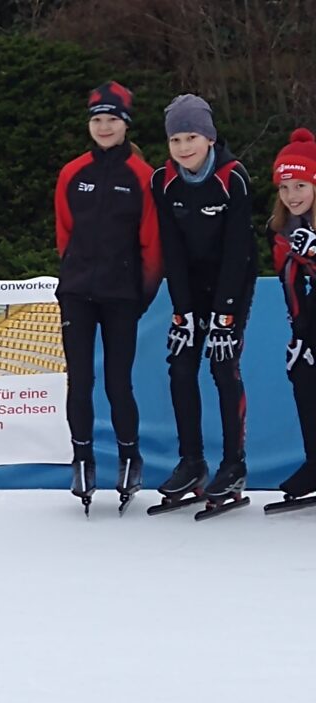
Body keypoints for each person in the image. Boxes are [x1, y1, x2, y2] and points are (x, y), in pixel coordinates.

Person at [54, 81, 162, 506]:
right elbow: (65, 233)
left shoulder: (143, 176)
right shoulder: (72, 173)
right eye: (97, 120)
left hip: (121, 295)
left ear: (125, 125)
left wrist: (141, 295)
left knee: (119, 382)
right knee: (79, 380)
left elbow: (151, 243)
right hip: (78, 292)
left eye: (112, 120)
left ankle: (129, 456)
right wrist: (73, 275)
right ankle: (82, 458)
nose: (104, 127)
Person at [150, 94, 258, 504]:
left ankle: (234, 465)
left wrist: (225, 314)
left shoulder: (233, 177)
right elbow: (172, 249)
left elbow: (238, 250)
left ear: (209, 138)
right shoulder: (163, 180)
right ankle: (192, 462)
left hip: (231, 282)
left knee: (222, 365)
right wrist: (182, 310)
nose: (184, 147)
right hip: (190, 286)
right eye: (176, 139)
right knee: (180, 367)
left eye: (191, 137)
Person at [267, 129, 316, 499]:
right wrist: (300, 335)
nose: (291, 195)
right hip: (309, 313)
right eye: (284, 188)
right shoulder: (283, 228)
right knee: (302, 372)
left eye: (300, 186)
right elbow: (290, 283)